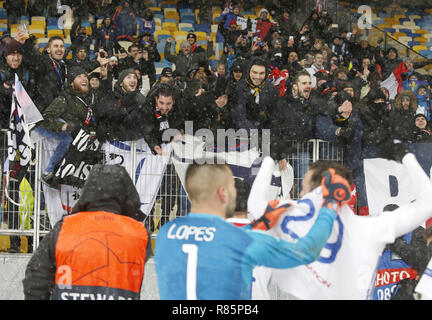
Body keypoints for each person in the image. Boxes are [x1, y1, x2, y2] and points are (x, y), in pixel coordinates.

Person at [247, 141, 432, 299]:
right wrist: (407, 158)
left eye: (303, 187)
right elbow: (427, 204)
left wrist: (270, 160)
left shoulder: (294, 221)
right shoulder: (366, 227)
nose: (301, 193)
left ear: (318, 191)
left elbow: (254, 204)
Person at [154, 156, 351, 300]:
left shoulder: (165, 233)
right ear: (223, 194)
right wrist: (330, 205)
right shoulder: (243, 240)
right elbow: (308, 250)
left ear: (189, 196)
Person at [22, 164, 152, 300]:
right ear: (127, 193)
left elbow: (36, 276)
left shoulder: (64, 229)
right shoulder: (140, 234)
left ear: (88, 192)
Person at [37, 66, 104, 189]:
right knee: (69, 138)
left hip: (81, 136)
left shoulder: (92, 97)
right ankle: (49, 172)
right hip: (54, 131)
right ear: (72, 83)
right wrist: (65, 126)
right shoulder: (65, 98)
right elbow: (46, 117)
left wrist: (105, 76)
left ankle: (73, 178)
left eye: (85, 76)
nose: (84, 78)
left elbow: (105, 97)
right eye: (79, 76)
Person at [373, 204, 432, 300]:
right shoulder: (377, 240)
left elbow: (423, 259)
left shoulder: (416, 233)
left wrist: (396, 244)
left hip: (408, 293)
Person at [231, 57, 279, 132]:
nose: (258, 77)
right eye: (255, 72)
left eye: (261, 73)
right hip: (244, 133)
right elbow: (239, 115)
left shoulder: (270, 89)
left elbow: (274, 114)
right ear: (249, 72)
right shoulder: (240, 87)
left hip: (265, 132)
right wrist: (254, 133)